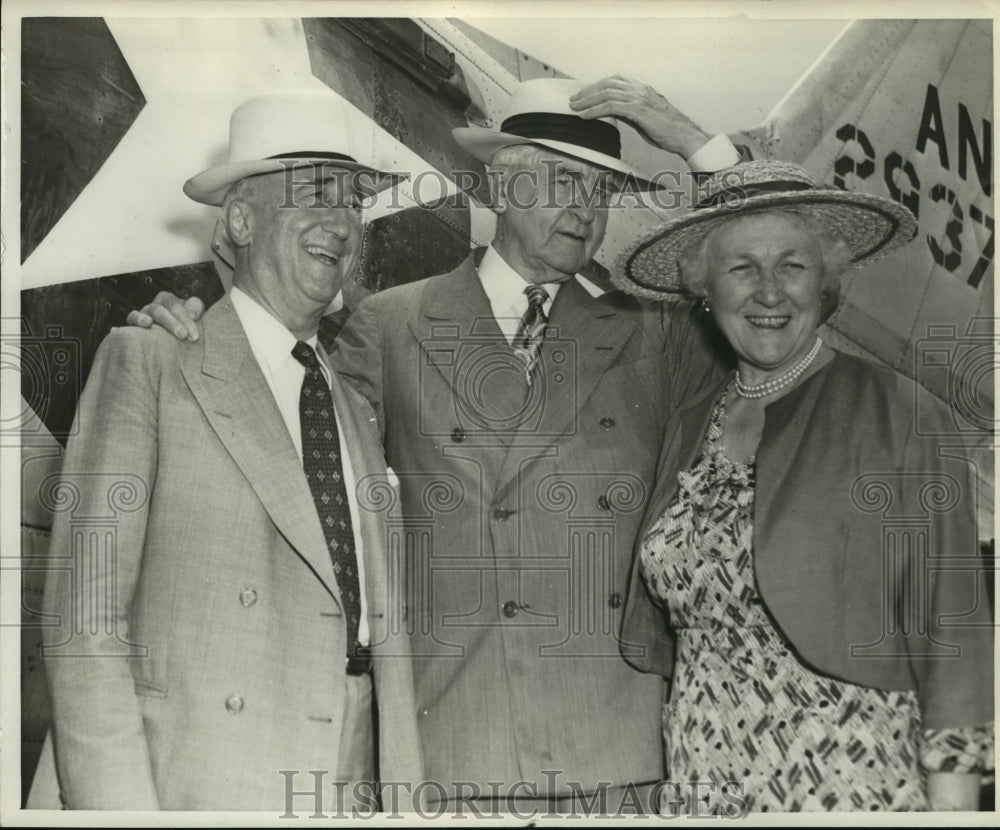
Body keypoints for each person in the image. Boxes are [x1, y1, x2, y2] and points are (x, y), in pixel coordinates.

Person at [124, 76, 744, 814]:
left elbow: (772, 288)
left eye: (601, 189)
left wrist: (700, 148)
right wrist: (195, 337)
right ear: (502, 185)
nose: (585, 208)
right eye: (563, 181)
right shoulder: (390, 324)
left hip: (617, 752)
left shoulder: (657, 335)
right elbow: (278, 445)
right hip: (451, 746)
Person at [29, 89, 424, 811]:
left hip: (355, 777)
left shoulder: (355, 410)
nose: (341, 222)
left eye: (353, 203)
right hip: (201, 781)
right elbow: (86, 624)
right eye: (315, 194)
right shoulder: (150, 362)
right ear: (240, 220)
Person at [614, 159, 995, 813]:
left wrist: (954, 810)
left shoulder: (898, 412)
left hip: (848, 778)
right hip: (704, 771)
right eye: (741, 268)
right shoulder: (689, 422)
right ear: (706, 289)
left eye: (792, 265)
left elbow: (952, 624)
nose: (769, 292)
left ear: (825, 283)